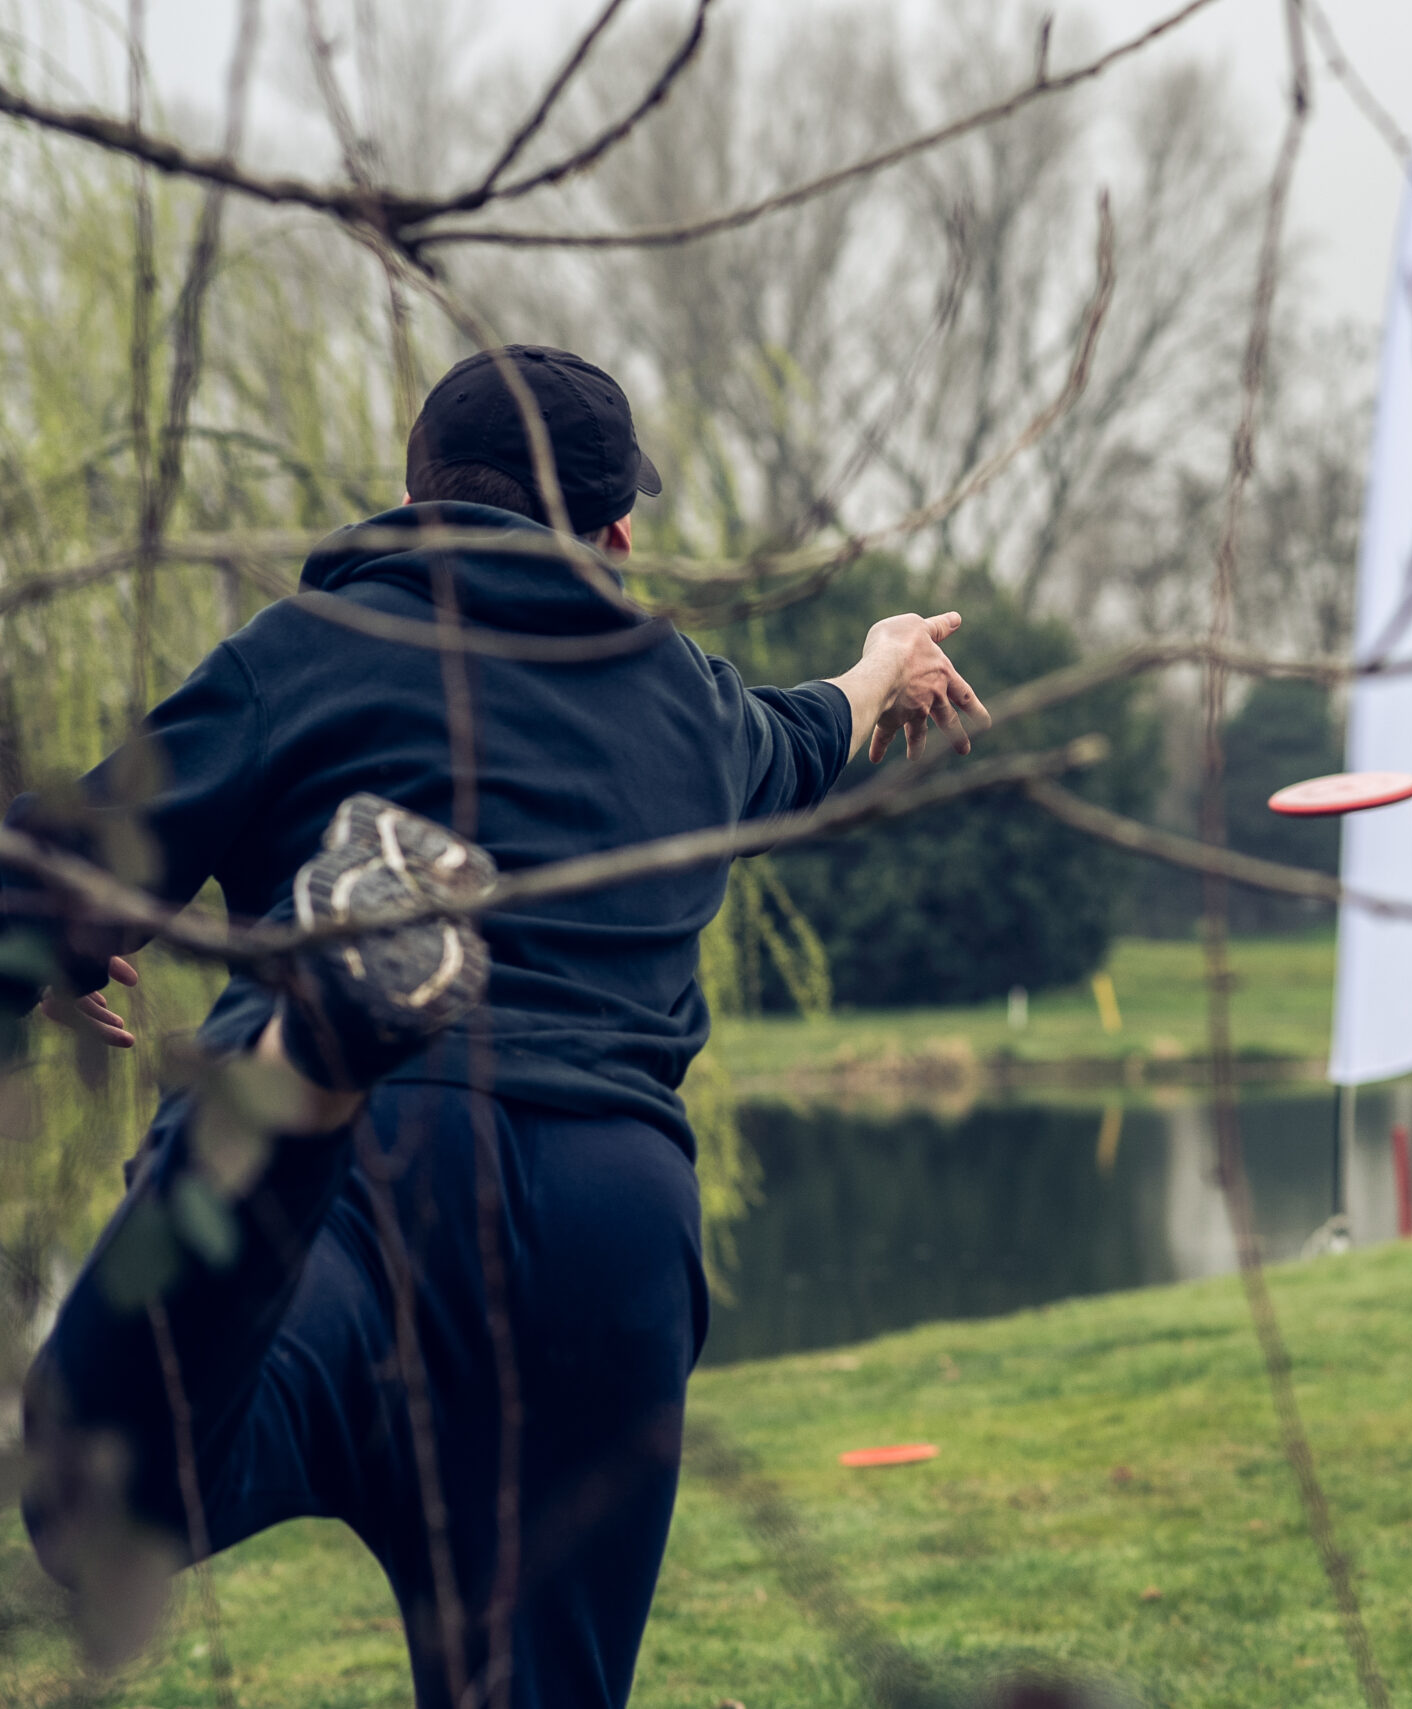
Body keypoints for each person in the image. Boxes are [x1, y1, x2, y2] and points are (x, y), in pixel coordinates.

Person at [0, 345, 987, 1708]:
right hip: (606, 1228)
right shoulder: (688, 702)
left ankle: (311, 1061)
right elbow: (810, 732)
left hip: (357, 1191)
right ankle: (316, 1061)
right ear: (615, 536)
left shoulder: (307, 650)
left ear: (417, 498)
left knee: (101, 1495)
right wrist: (885, 663)